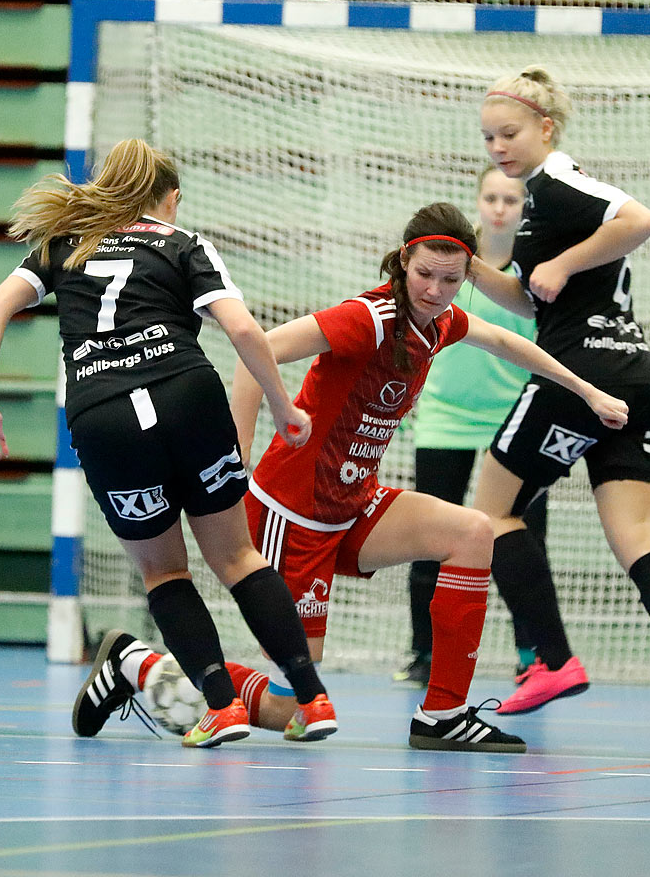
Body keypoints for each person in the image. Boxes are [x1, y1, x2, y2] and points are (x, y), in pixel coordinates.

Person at [0, 139, 335, 749]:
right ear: (171, 198)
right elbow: (242, 327)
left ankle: (222, 707)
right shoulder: (182, 243)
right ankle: (312, 699)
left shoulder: (65, 244)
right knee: (239, 558)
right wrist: (279, 402)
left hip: (105, 414)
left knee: (164, 571)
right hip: (188, 396)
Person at [228, 202, 629, 753]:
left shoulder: (439, 324)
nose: (435, 291)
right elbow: (259, 349)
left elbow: (508, 342)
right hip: (291, 516)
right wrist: (237, 456)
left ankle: (442, 714)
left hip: (353, 505)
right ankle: (149, 665)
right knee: (290, 708)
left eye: (450, 279)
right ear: (402, 262)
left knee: (471, 532)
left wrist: (588, 391)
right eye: (424, 275)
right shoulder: (367, 319)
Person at [468, 65, 650, 746]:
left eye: (510, 133)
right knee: (639, 538)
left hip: (579, 374)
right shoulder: (537, 201)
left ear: (546, 128)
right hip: (635, 378)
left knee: (489, 514)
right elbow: (534, 302)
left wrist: (562, 264)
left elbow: (640, 219)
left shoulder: (559, 180)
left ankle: (551, 659)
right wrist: (469, 268)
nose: (498, 146)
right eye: (489, 137)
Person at [395, 168, 556, 697]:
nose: (501, 207)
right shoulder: (445, 270)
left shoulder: (535, 278)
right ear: (479, 203)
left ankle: (532, 653)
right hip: (444, 418)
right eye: (491, 197)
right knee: (426, 536)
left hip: (514, 420)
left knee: (521, 542)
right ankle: (424, 650)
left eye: (512, 198)